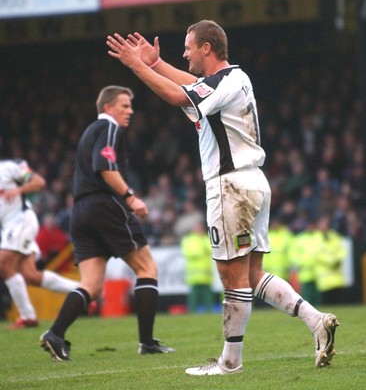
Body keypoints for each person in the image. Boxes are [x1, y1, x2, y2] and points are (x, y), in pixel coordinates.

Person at [106, 20, 339, 375]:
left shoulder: (226, 83)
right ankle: (316, 320)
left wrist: (135, 65)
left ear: (207, 48)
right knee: (253, 274)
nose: (183, 53)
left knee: (232, 278)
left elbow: (176, 96)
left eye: (188, 47)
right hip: (252, 183)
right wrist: (155, 64)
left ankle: (230, 363)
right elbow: (194, 86)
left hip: (230, 187)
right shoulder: (233, 80)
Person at [40, 85, 175, 361]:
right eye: (124, 106)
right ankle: (147, 342)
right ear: (108, 108)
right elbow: (104, 167)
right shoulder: (109, 128)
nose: (130, 111)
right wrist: (130, 197)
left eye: (131, 106)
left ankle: (55, 333)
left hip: (80, 210)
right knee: (147, 267)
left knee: (91, 285)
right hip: (105, 205)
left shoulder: (88, 132)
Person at [0, 159, 80, 329]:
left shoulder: (9, 168)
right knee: (30, 275)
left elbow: (39, 182)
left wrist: (18, 190)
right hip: (10, 228)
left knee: (3, 263)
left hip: (21, 220)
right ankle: (83, 290)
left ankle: (28, 316)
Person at [180, 220, 214, 313]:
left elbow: (211, 249)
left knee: (207, 294)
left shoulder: (206, 238)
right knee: (194, 294)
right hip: (194, 273)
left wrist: (201, 248)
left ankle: (208, 311)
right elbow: (188, 252)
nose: (199, 230)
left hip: (206, 273)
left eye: (200, 228)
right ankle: (193, 311)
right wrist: (202, 250)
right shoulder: (188, 240)